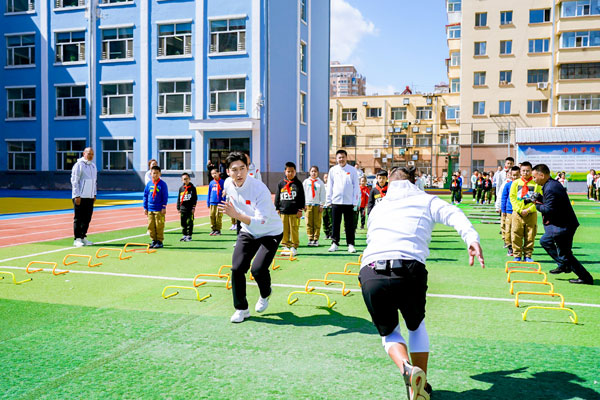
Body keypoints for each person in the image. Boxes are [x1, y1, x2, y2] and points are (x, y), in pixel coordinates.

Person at [359, 165, 485, 400]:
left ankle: (406, 370)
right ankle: (419, 384)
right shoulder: (426, 200)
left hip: (371, 271)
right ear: (415, 181)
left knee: (390, 334)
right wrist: (471, 238)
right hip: (409, 269)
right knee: (416, 327)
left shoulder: (379, 207)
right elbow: (454, 214)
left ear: (390, 183)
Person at [218, 152, 283, 323]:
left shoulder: (260, 189)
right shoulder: (228, 183)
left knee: (258, 269)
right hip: (248, 231)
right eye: (234, 170)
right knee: (237, 268)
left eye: (242, 168)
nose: (239, 173)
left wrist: (236, 215)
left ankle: (265, 293)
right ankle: (241, 309)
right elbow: (229, 192)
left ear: (248, 169)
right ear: (228, 172)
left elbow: (261, 221)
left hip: (270, 231)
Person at [532, 164, 593, 285]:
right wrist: (540, 198)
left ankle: (585, 277)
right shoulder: (551, 184)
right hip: (561, 224)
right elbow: (552, 203)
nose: (533, 179)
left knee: (565, 254)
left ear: (542, 175)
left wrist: (536, 204)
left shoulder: (550, 187)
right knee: (546, 241)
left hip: (564, 225)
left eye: (534, 177)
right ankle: (563, 265)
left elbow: (549, 209)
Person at [326, 150, 360, 253]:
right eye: (339, 157)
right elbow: (330, 185)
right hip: (336, 201)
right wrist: (328, 200)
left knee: (349, 225)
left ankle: (350, 244)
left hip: (349, 202)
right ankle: (335, 243)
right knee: (335, 224)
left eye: (343, 157)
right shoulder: (333, 170)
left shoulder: (352, 170)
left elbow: (356, 186)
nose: (341, 159)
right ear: (336, 159)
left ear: (346, 158)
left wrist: (355, 201)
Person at [509, 162, 542, 262]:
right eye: (523, 171)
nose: (525, 173)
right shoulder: (516, 183)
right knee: (516, 233)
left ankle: (528, 256)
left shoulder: (536, 184)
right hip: (517, 213)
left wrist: (529, 209)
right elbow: (512, 197)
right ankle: (517, 255)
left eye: (528, 171)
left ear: (531, 171)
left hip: (531, 213)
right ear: (520, 171)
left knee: (530, 235)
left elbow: (539, 199)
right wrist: (519, 210)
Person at [274, 161, 305, 256]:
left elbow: (301, 197)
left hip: (294, 212)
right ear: (285, 172)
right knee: (284, 229)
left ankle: (294, 246)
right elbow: (277, 196)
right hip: (283, 211)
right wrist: (277, 208)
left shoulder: (298, 183)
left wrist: (300, 209)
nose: (290, 173)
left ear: (295, 172)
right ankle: (285, 246)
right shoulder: (281, 183)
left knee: (294, 229)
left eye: (292, 171)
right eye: (288, 171)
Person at [71, 147, 97, 247]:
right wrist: (77, 195)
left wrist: (94, 194)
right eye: (89, 153)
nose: (90, 156)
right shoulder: (79, 165)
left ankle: (83, 237)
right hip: (80, 197)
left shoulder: (93, 166)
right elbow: (74, 181)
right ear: (84, 153)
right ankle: (77, 239)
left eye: (92, 154)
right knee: (79, 218)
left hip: (90, 196)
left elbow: (94, 181)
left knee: (87, 218)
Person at [143, 165, 169, 249]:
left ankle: (159, 241)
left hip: (159, 209)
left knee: (159, 225)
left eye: (157, 173)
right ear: (150, 174)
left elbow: (165, 196)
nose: (155, 175)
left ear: (160, 174)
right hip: (150, 208)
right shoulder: (149, 184)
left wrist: (164, 206)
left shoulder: (162, 184)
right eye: (153, 173)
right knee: (151, 226)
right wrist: (145, 207)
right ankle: (153, 240)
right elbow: (145, 196)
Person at [303, 166, 326, 246]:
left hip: (317, 205)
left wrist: (321, 205)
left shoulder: (320, 183)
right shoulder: (306, 182)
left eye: (315, 171)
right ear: (309, 172)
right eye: (312, 171)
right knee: (308, 222)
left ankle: (316, 239)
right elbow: (303, 193)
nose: (313, 173)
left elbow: (322, 194)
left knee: (317, 223)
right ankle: (310, 238)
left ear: (318, 172)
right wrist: (303, 204)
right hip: (308, 204)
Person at [500, 166, 520, 256]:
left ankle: (517, 247)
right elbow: (504, 198)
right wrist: (503, 210)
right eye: (513, 175)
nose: (515, 177)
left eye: (517, 175)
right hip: (509, 211)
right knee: (508, 229)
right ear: (510, 175)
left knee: (517, 230)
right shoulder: (508, 185)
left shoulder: (522, 185)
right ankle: (510, 247)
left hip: (519, 211)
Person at [177, 172, 197, 242]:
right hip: (183, 209)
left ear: (189, 179)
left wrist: (193, 207)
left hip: (189, 209)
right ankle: (184, 234)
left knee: (190, 222)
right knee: (183, 223)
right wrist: (178, 207)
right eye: (184, 179)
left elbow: (194, 198)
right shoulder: (181, 188)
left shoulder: (192, 188)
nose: (185, 180)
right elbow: (179, 198)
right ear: (182, 180)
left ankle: (189, 235)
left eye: (187, 179)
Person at [207, 168, 225, 236]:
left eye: (215, 173)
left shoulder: (222, 182)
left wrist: (223, 202)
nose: (213, 175)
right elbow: (209, 193)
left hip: (219, 202)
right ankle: (213, 229)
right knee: (212, 216)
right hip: (212, 202)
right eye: (212, 174)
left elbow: (224, 193)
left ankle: (218, 230)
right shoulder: (211, 183)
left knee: (218, 216)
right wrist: (208, 202)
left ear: (218, 173)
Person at [322, 173, 333, 240]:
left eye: (327, 177)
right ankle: (326, 233)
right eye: (325, 177)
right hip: (324, 206)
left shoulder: (332, 186)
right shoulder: (322, 186)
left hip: (330, 205)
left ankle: (331, 233)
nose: (326, 179)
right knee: (325, 219)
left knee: (331, 220)